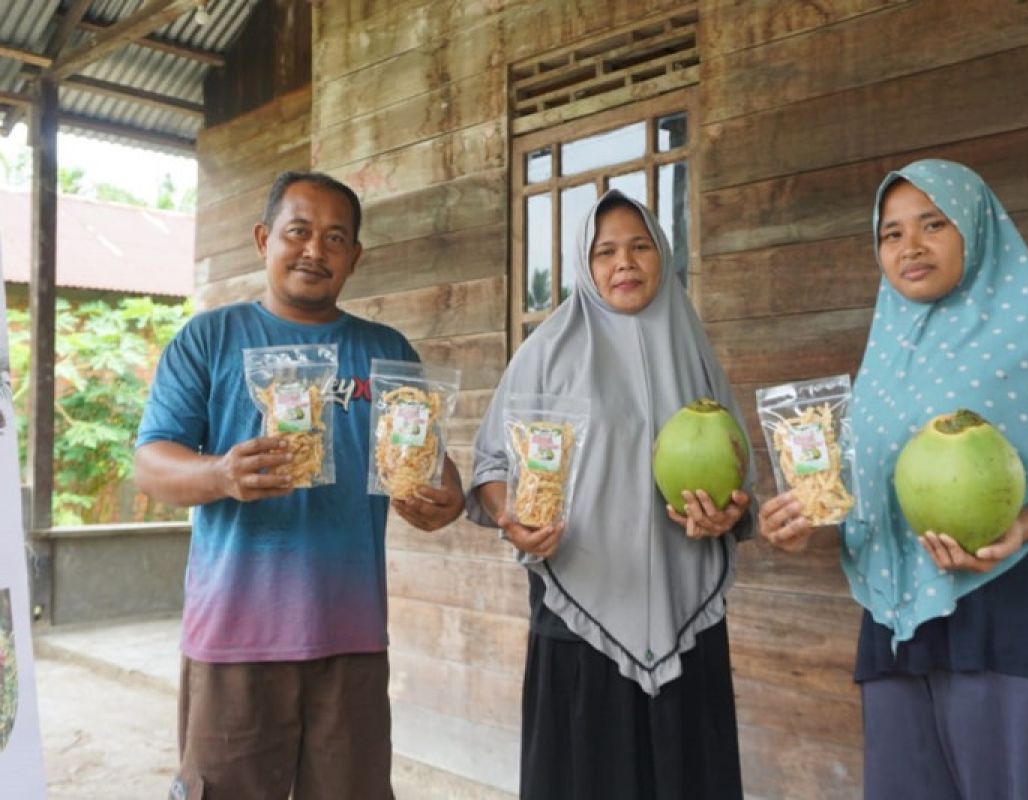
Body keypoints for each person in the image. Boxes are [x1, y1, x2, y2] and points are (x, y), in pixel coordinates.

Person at [758, 159, 1028, 799]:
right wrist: (802, 523)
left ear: (977, 228)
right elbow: (866, 492)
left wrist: (1022, 525)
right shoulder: (887, 351)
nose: (910, 247)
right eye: (891, 233)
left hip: (1014, 611)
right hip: (898, 630)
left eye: (933, 224)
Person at [134, 171, 465, 800]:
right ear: (264, 239)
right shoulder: (210, 339)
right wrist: (220, 473)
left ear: (355, 257)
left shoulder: (384, 350)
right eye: (299, 232)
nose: (315, 250)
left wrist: (442, 496)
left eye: (335, 238)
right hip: (235, 637)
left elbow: (433, 466)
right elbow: (150, 464)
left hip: (352, 635)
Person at [467, 189, 754, 799]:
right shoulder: (546, 351)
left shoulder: (695, 353)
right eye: (605, 252)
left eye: (639, 246)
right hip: (577, 622)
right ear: (584, 265)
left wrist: (728, 514)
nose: (624, 263)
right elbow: (493, 464)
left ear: (663, 256)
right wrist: (508, 516)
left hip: (685, 611)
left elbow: (737, 471)